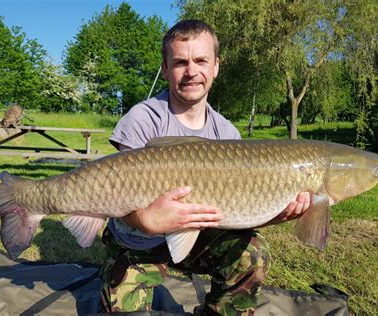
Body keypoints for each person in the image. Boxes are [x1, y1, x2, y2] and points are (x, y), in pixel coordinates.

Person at [100, 19, 311, 314]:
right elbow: (115, 191)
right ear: (165, 68)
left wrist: (277, 213)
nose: (191, 72)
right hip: (137, 242)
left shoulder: (227, 134)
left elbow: (235, 213)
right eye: (180, 62)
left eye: (201, 60)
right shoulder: (143, 118)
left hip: (196, 238)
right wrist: (144, 220)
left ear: (215, 67)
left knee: (253, 252)